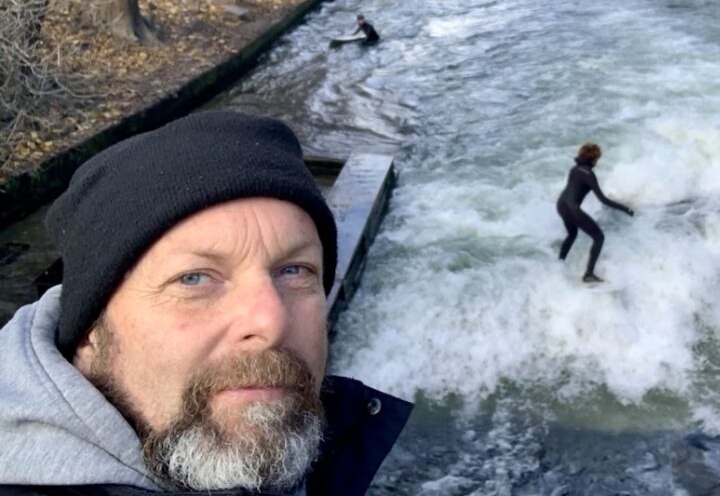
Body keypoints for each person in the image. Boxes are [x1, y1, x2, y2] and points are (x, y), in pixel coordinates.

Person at [0, 110, 412, 496]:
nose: (269, 320)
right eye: (193, 278)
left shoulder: (337, 449)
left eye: (295, 271)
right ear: (91, 327)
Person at [556, 142, 634, 283]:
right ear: (593, 159)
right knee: (599, 237)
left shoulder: (575, 169)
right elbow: (603, 200)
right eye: (597, 159)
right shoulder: (589, 174)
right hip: (573, 209)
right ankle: (588, 274)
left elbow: (572, 190)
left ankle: (559, 264)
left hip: (561, 205)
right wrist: (625, 209)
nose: (597, 161)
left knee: (572, 234)